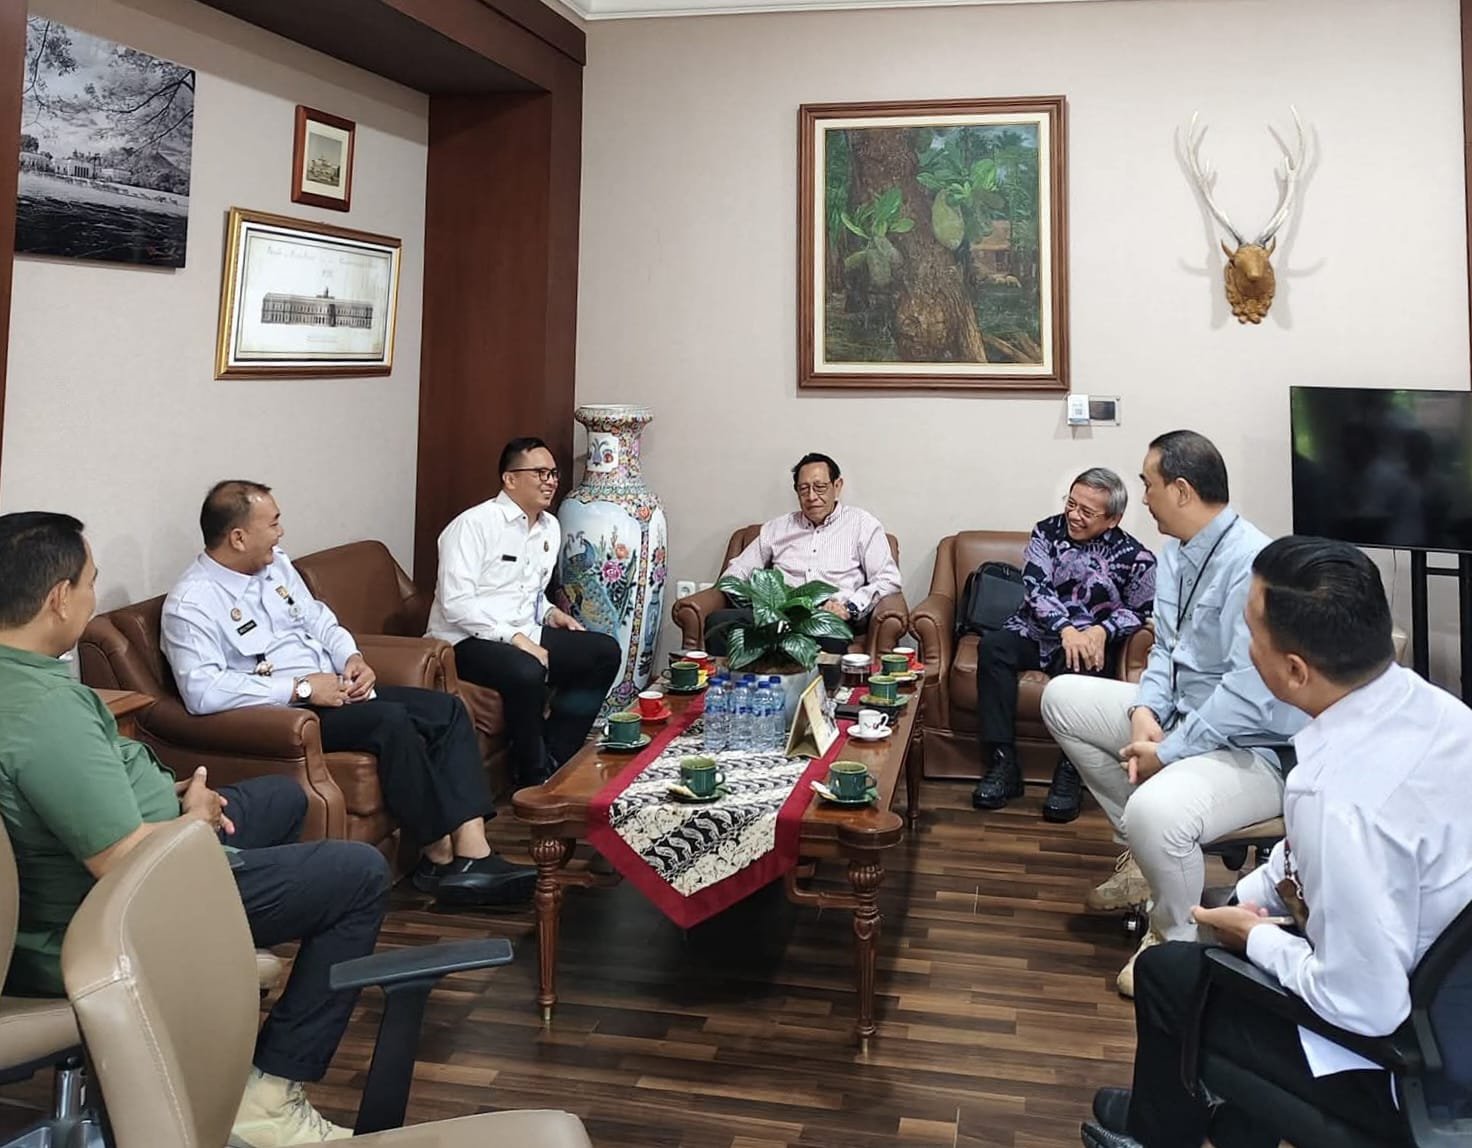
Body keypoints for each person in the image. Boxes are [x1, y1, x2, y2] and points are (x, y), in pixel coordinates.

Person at [0, 512, 382, 1146]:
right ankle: (268, 1094)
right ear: (59, 598)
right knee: (359, 876)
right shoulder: (48, 711)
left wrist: (171, 799)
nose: (93, 597)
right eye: (91, 582)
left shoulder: (21, 683)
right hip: (107, 916)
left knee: (280, 799)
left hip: (125, 853)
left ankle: (209, 999)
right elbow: (118, 861)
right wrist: (193, 824)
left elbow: (67, 795)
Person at [1082, 536, 1472, 1148]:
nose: (1245, 649)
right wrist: (1251, 894)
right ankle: (1196, 1114)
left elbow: (1366, 1006)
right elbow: (1314, 863)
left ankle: (1157, 1133)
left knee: (1167, 973)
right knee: (1214, 937)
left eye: (1251, 634)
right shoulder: (1444, 713)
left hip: (1407, 1067)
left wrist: (1256, 937)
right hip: (1446, 1000)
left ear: (1294, 670)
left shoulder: (1336, 800)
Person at [161, 481, 534, 908]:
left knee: (446, 710)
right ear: (238, 537)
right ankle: (438, 854)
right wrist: (302, 688)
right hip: (292, 714)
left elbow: (320, 621)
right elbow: (203, 691)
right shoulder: (191, 604)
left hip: (337, 689)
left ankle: (473, 855)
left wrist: (351, 657)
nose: (281, 532)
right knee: (391, 722)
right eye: (273, 523)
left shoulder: (276, 566)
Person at [1040, 431, 1304, 996]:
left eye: (1148, 484)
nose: (1143, 496)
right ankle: (1145, 862)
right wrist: (1144, 711)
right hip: (1183, 718)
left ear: (1181, 490)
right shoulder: (1176, 554)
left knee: (1155, 809)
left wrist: (1170, 751)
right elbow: (1165, 649)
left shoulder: (1253, 563)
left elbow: (1248, 690)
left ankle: (1175, 936)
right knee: (1061, 698)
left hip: (1256, 748)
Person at [426, 437, 622, 788]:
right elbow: (456, 603)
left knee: (603, 652)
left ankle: (556, 756)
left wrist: (551, 614)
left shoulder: (550, 527)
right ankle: (532, 776)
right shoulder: (473, 525)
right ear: (510, 478)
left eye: (553, 474)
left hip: (522, 631)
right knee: (527, 669)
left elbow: (527, 591)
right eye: (540, 473)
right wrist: (515, 638)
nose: (550, 481)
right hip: (462, 639)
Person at [973, 467, 1156, 821]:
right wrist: (1065, 628)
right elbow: (1035, 587)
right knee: (993, 647)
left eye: (1086, 511)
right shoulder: (1046, 532)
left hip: (1086, 644)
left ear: (1113, 519)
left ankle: (1070, 772)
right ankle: (1002, 763)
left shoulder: (1136, 557)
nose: (1073, 515)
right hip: (1035, 631)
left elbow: (1141, 610)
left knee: (1093, 666)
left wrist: (1102, 631)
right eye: (1071, 504)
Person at [705, 452, 902, 656]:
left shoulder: (862, 525)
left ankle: (822, 680)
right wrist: (761, 603)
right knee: (718, 622)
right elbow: (735, 574)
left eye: (820, 487)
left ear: (837, 486)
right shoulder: (777, 528)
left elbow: (888, 579)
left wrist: (850, 608)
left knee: (829, 635)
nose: (812, 497)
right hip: (778, 614)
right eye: (804, 489)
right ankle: (730, 678)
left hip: (827, 615)